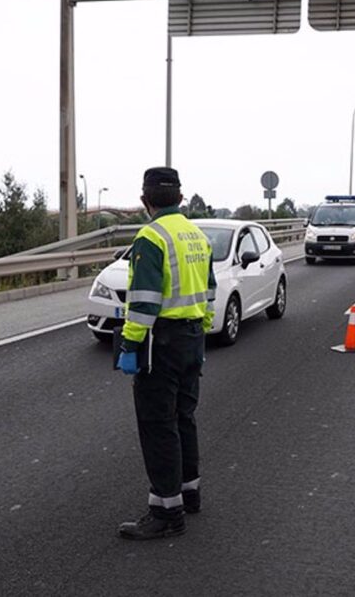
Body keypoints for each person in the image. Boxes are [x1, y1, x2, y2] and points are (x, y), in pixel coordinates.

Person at [115, 167, 217, 540]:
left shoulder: (150, 237)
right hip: (192, 339)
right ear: (180, 198)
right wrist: (201, 331)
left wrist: (130, 344)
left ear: (145, 202)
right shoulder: (197, 235)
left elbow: (142, 303)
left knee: (158, 425)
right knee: (184, 417)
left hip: (161, 342)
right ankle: (190, 492)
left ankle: (166, 512)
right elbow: (209, 291)